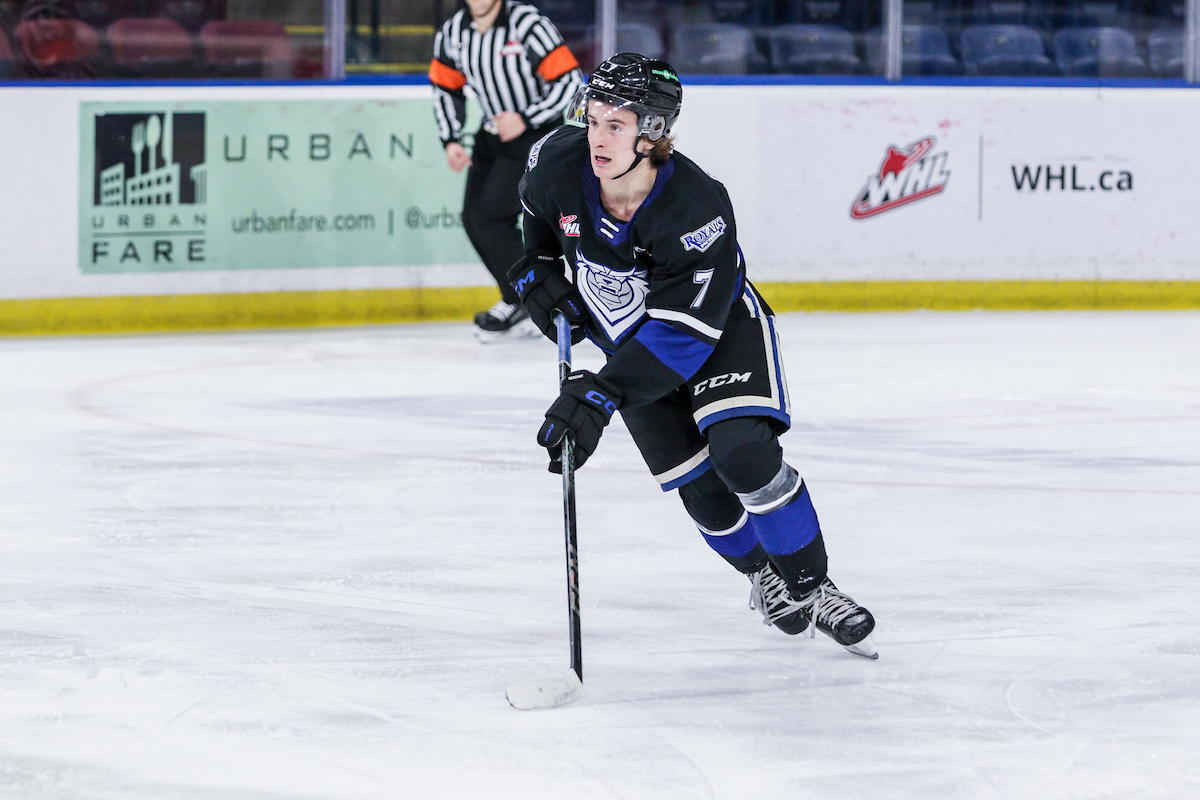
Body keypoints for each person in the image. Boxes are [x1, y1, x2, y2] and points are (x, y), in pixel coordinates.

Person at [507, 53, 878, 657]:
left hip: (715, 331)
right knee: (699, 487)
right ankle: (762, 575)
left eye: (616, 125)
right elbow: (535, 224)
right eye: (592, 119)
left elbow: (683, 336)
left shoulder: (696, 206)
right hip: (625, 344)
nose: (596, 137)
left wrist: (601, 394)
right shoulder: (557, 161)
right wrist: (537, 272)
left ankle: (813, 587)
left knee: (741, 454)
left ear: (651, 134)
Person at [429, 0, 583, 342]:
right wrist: (450, 138)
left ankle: (536, 296)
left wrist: (525, 117)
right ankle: (522, 297)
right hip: (492, 135)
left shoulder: (527, 24)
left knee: (491, 217)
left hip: (534, 134)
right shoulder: (454, 32)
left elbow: (570, 81)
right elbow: (445, 86)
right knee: (473, 218)